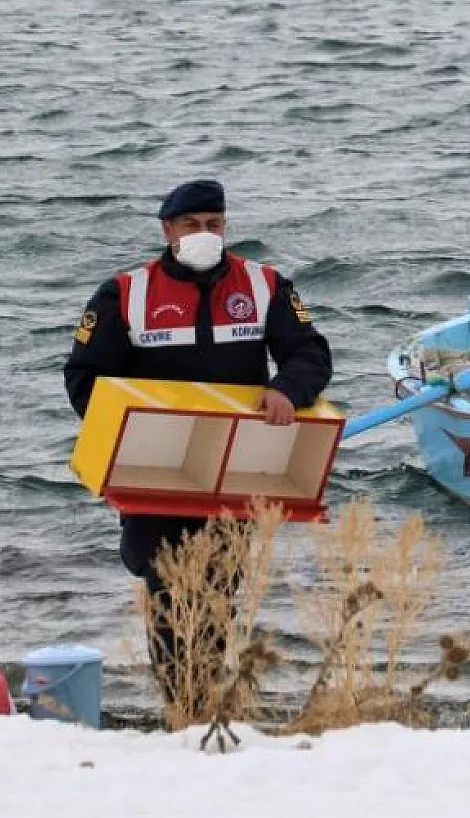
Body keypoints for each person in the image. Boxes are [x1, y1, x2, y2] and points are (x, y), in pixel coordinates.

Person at [63, 179, 332, 691]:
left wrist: (286, 391)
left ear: (226, 226)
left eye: (213, 224)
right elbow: (84, 378)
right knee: (161, 577)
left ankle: (201, 695)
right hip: (154, 466)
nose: (203, 233)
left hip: (232, 467)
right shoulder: (124, 292)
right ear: (169, 230)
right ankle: (180, 698)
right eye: (191, 225)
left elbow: (310, 353)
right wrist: (125, 438)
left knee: (220, 584)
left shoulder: (266, 284)